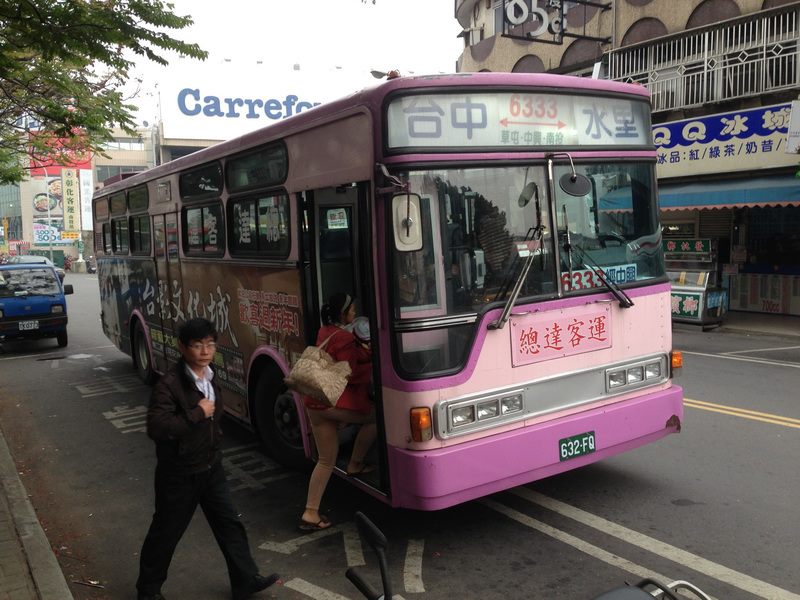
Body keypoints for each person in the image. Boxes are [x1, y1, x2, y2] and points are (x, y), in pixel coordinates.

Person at [136, 318, 278, 600]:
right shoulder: (170, 384)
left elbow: (215, 417)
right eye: (197, 345)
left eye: (210, 344)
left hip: (211, 466)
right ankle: (148, 591)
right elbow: (158, 427)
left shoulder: (210, 375)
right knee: (166, 532)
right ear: (182, 347)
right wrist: (197, 414)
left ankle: (245, 581)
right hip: (179, 473)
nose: (204, 351)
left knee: (229, 523)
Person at [300, 293, 377, 532]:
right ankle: (355, 463)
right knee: (375, 418)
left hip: (314, 401)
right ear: (343, 313)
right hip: (331, 404)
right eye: (352, 309)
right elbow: (349, 372)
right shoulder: (344, 337)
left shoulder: (326, 331)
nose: (354, 312)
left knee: (325, 460)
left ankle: (310, 513)